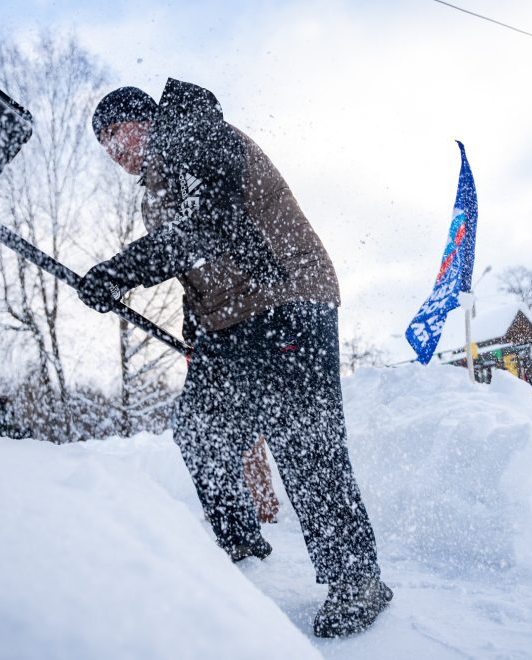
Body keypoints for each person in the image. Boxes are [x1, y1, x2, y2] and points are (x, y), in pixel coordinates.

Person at [78, 80, 391, 637]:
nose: (114, 152)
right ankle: (241, 545)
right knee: (200, 428)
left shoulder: (194, 132)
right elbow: (193, 268)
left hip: (288, 297)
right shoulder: (155, 187)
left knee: (302, 436)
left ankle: (357, 580)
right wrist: (193, 327)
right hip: (230, 321)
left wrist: (117, 274)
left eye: (116, 134)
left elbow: (206, 228)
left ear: (143, 120)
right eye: (104, 146)